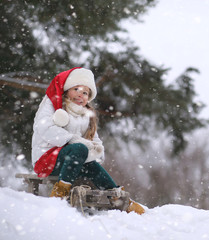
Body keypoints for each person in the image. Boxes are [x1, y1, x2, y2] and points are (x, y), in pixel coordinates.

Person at [31, 67, 145, 215]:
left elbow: (94, 139)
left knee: (90, 163)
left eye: (85, 92)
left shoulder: (85, 114)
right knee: (80, 149)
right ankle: (60, 194)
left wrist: (98, 150)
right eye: (76, 89)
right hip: (48, 160)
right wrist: (74, 140)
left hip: (72, 160)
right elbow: (44, 128)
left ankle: (118, 197)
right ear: (67, 90)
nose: (81, 95)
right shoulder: (53, 104)